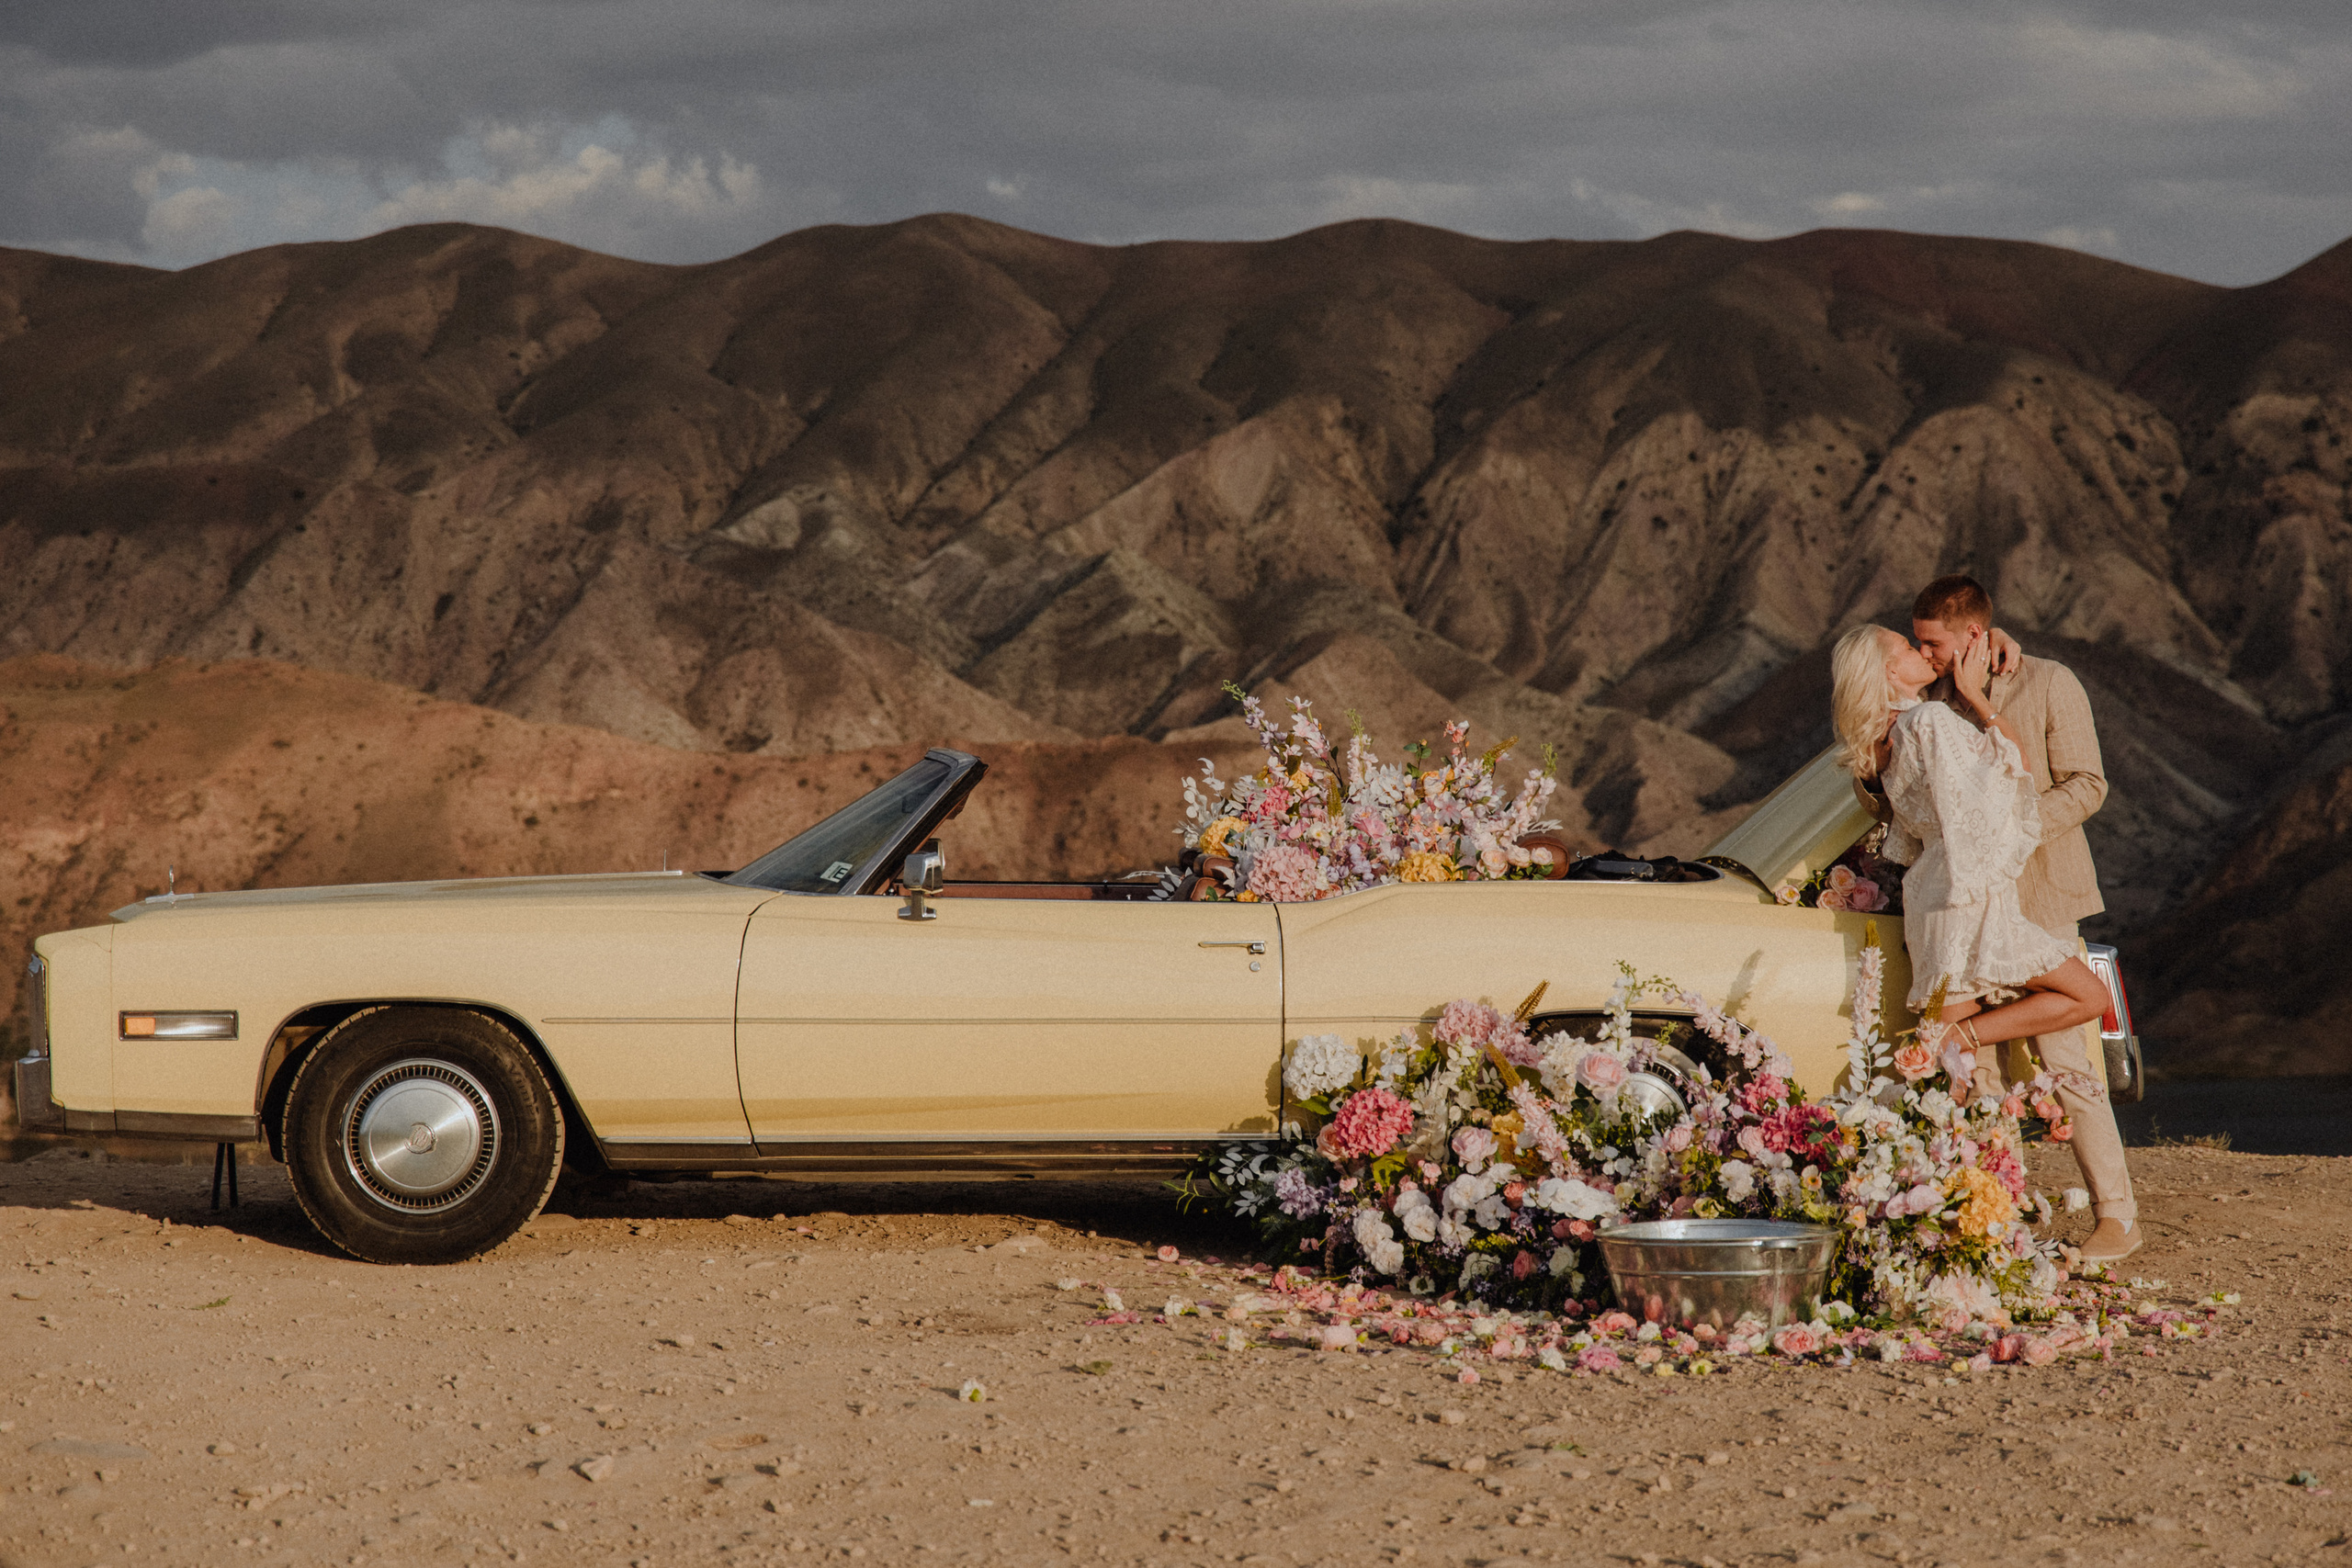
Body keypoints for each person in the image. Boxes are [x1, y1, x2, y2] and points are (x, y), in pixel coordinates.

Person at [1828, 606, 2141, 1263]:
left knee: (2043, 1070)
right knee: (1983, 1075)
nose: (1922, 651)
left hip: (1991, 897)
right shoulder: (1932, 713)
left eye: (1928, 641)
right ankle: (1999, 1218)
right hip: (1974, 896)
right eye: (1910, 646)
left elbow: (2085, 786)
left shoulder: (2041, 681)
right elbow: (1990, 796)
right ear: (1890, 671)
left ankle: (2102, 1216)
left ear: (1971, 633)